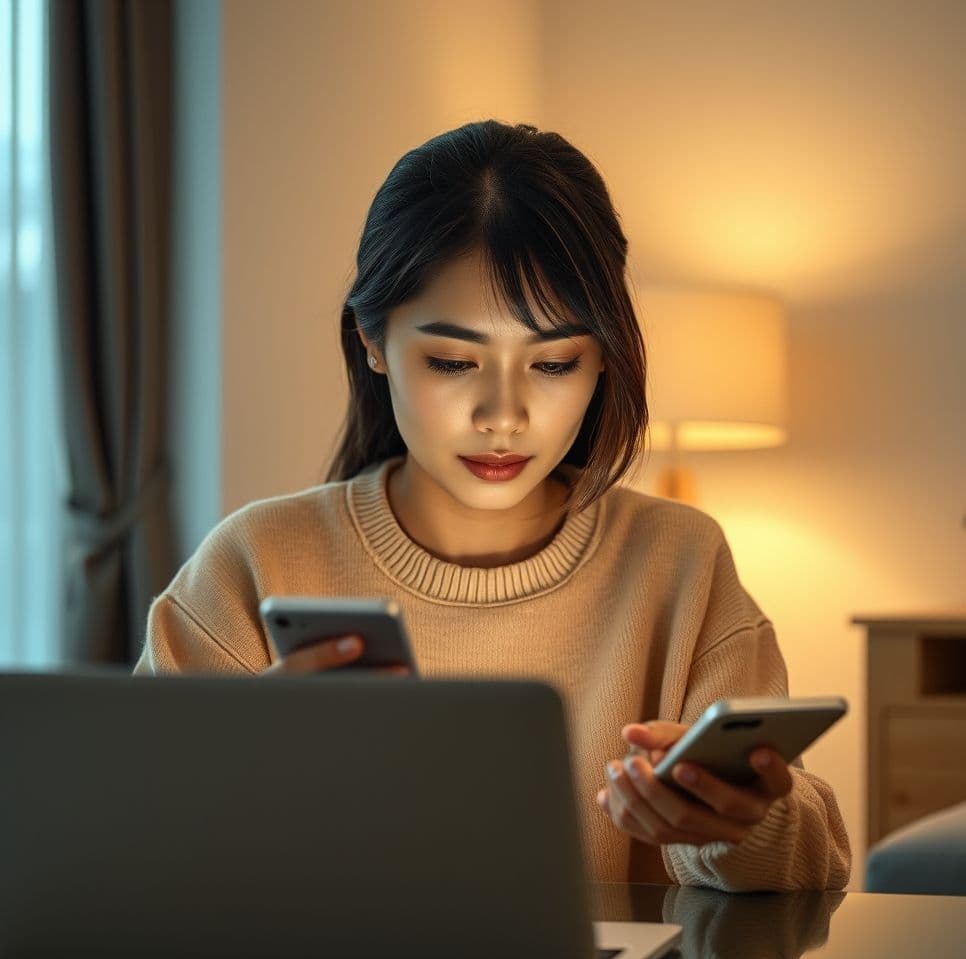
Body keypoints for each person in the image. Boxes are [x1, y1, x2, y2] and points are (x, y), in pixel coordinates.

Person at [135, 119, 850, 892]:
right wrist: (241, 777)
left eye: (552, 362)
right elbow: (121, 843)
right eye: (451, 360)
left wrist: (737, 826)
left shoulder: (680, 562)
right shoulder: (255, 563)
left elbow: (817, 866)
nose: (503, 415)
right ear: (372, 341)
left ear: (602, 357)